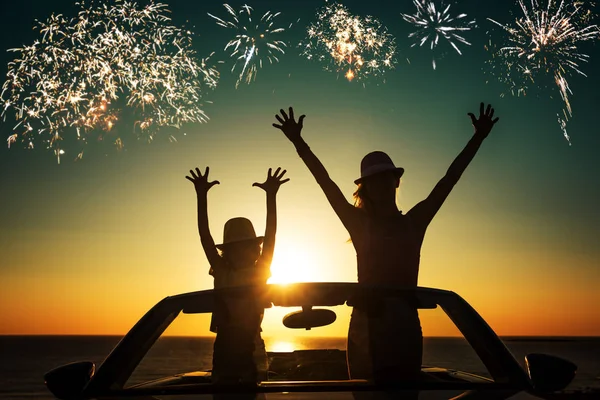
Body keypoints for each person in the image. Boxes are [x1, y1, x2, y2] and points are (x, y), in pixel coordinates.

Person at [272, 103, 499, 394]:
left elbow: (448, 180)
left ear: (396, 180)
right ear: (365, 187)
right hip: (366, 326)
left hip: (405, 324)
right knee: (366, 395)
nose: (380, 184)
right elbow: (324, 181)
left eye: (385, 177)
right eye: (373, 180)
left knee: (404, 395)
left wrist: (477, 138)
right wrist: (298, 141)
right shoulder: (358, 223)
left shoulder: (415, 222)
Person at [186, 166, 289, 388]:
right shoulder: (222, 271)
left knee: (256, 390)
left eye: (247, 247)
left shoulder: (260, 269)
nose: (242, 252)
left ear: (254, 249)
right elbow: (205, 236)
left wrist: (271, 196)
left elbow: (271, 235)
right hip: (225, 344)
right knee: (224, 391)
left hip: (253, 342)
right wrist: (201, 196)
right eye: (236, 248)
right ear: (227, 252)